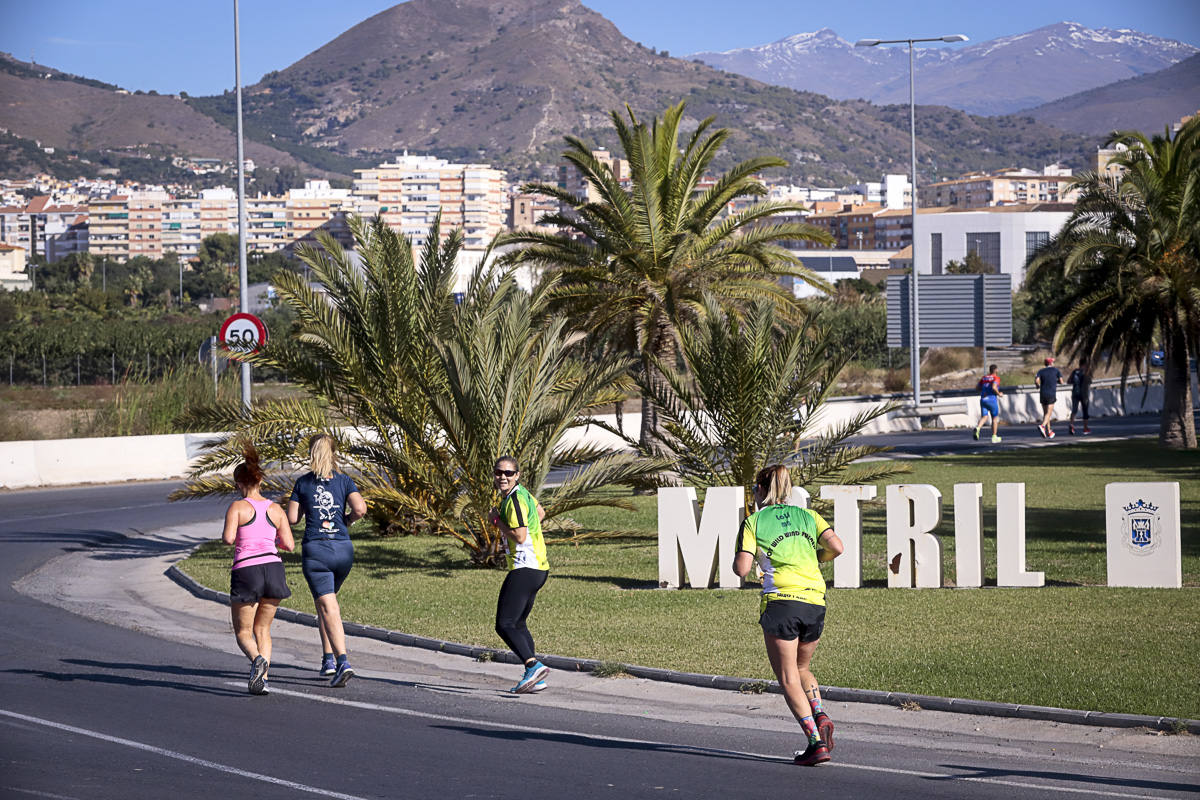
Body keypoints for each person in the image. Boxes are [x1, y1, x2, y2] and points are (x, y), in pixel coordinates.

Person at [733, 465, 844, 767]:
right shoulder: (808, 515)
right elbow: (837, 547)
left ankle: (815, 743)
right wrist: (813, 559)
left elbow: (742, 569)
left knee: (787, 677)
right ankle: (819, 712)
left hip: (782, 602)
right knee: (802, 667)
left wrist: (744, 560)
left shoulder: (754, 521)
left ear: (759, 490)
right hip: (815, 600)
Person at [287, 433, 367, 688]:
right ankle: (328, 658)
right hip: (343, 550)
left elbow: (291, 518)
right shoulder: (344, 481)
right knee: (326, 602)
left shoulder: (303, 483)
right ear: (334, 453)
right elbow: (360, 509)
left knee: (328, 607)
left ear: (310, 454)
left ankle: (343, 661)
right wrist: (347, 521)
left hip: (317, 551)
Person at [222, 441, 294, 696]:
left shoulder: (237, 507)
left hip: (247, 571)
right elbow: (289, 544)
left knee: (243, 631)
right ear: (260, 482)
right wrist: (269, 539)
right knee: (263, 629)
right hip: (273, 568)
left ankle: (256, 660)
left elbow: (229, 539)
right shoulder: (275, 509)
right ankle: (262, 680)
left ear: (240, 484)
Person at [488, 456, 550, 694]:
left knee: (504, 624)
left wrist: (497, 522)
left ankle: (533, 665)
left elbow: (520, 536)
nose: (503, 477)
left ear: (517, 475)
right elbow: (540, 513)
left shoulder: (513, 500)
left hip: (525, 567)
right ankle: (535, 677)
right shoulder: (523, 494)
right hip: (539, 568)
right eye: (498, 472)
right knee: (519, 623)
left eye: (508, 473)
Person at [973, 364, 1003, 443]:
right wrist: (999, 393)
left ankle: (978, 428)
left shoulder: (984, 378)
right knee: (994, 418)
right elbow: (994, 387)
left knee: (984, 417)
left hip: (983, 400)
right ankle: (994, 437)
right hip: (991, 400)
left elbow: (977, 388)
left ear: (989, 370)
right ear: (996, 370)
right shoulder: (996, 378)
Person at [1034, 357, 1063, 439]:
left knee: (1046, 414)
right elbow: (1061, 381)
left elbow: (1036, 381)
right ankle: (1042, 426)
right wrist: (1055, 381)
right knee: (1048, 413)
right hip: (1051, 393)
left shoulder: (1041, 371)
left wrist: (1037, 386)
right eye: (1053, 362)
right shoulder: (1056, 370)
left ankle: (1049, 431)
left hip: (1042, 393)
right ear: (1051, 363)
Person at [1068, 361, 1092, 435]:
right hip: (1084, 394)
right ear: (1084, 365)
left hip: (1075, 393)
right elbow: (1089, 382)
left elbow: (1069, 381)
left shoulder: (1074, 371)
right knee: (1085, 411)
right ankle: (1085, 428)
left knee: (1074, 410)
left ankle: (1071, 425)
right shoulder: (1087, 372)